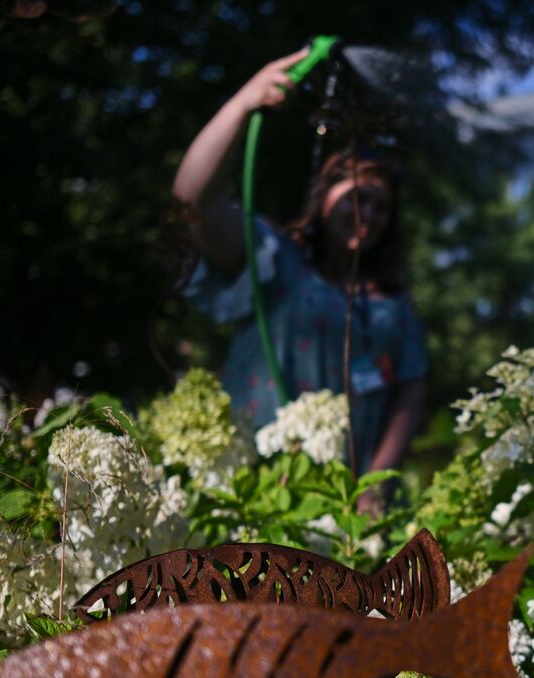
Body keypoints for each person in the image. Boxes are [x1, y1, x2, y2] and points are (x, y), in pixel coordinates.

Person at [173, 49, 427, 512]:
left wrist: (376, 482)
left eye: (381, 207)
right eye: (357, 197)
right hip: (255, 487)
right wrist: (243, 104)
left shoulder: (392, 302)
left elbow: (411, 388)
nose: (368, 215)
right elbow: (192, 201)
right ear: (323, 196)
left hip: (348, 502)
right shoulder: (276, 259)